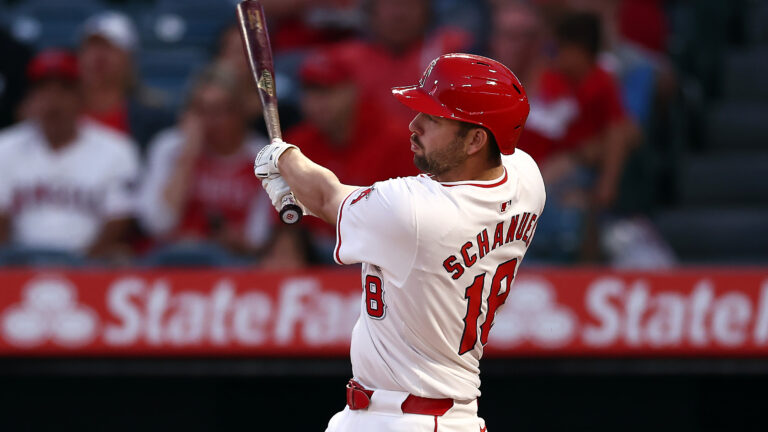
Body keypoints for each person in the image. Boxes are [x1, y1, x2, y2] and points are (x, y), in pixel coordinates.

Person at [254, 53, 545, 432]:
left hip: (405, 419)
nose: (414, 125)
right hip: (436, 414)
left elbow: (327, 198)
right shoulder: (526, 180)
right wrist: (301, 191)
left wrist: (283, 155)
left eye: (433, 119)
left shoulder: (412, 210)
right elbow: (338, 204)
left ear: (476, 140)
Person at [0, 50, 140, 259]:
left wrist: (82, 270)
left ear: (81, 95)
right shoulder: (5, 146)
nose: (53, 99)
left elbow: (118, 219)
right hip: (18, 266)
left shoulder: (116, 149)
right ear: (32, 96)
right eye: (44, 89)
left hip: (91, 267)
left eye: (64, 89)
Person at [138, 65, 273, 258]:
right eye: (200, 110)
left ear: (240, 113)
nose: (209, 121)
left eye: (219, 111)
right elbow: (157, 224)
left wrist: (229, 240)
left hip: (235, 262)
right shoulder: (168, 148)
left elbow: (258, 239)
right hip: (171, 258)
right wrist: (187, 158)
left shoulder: (262, 157)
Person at [78, 11, 173, 152]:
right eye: (91, 46)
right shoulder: (58, 111)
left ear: (129, 57)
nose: (98, 56)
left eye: (108, 47)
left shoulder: (154, 119)